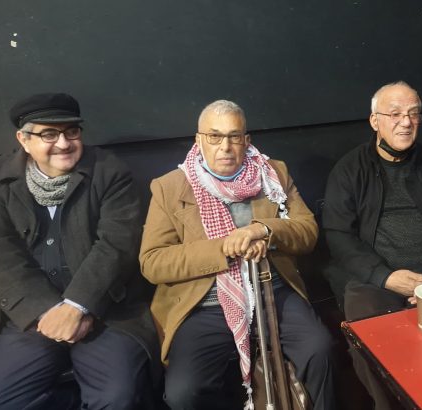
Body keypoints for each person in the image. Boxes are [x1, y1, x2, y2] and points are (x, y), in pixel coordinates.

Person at [139, 100, 335, 410]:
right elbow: (153, 262)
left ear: (246, 140)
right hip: (205, 303)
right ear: (199, 140)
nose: (225, 147)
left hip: (272, 292)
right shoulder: (170, 187)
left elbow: (307, 231)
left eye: (234, 136)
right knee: (184, 393)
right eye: (214, 136)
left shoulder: (273, 173)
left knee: (319, 349)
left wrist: (264, 230)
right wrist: (226, 248)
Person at [0, 93, 159, 409]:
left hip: (108, 314)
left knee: (116, 397)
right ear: (23, 139)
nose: (63, 143)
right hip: (29, 317)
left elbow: (117, 244)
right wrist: (46, 312)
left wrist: (78, 306)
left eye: (71, 132)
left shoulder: (109, 171)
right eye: (49, 134)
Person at [322, 81, 422, 409]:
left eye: (414, 114)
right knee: (371, 343)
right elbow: (338, 235)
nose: (406, 122)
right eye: (395, 114)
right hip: (374, 280)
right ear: (375, 121)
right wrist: (385, 277)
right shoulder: (350, 169)